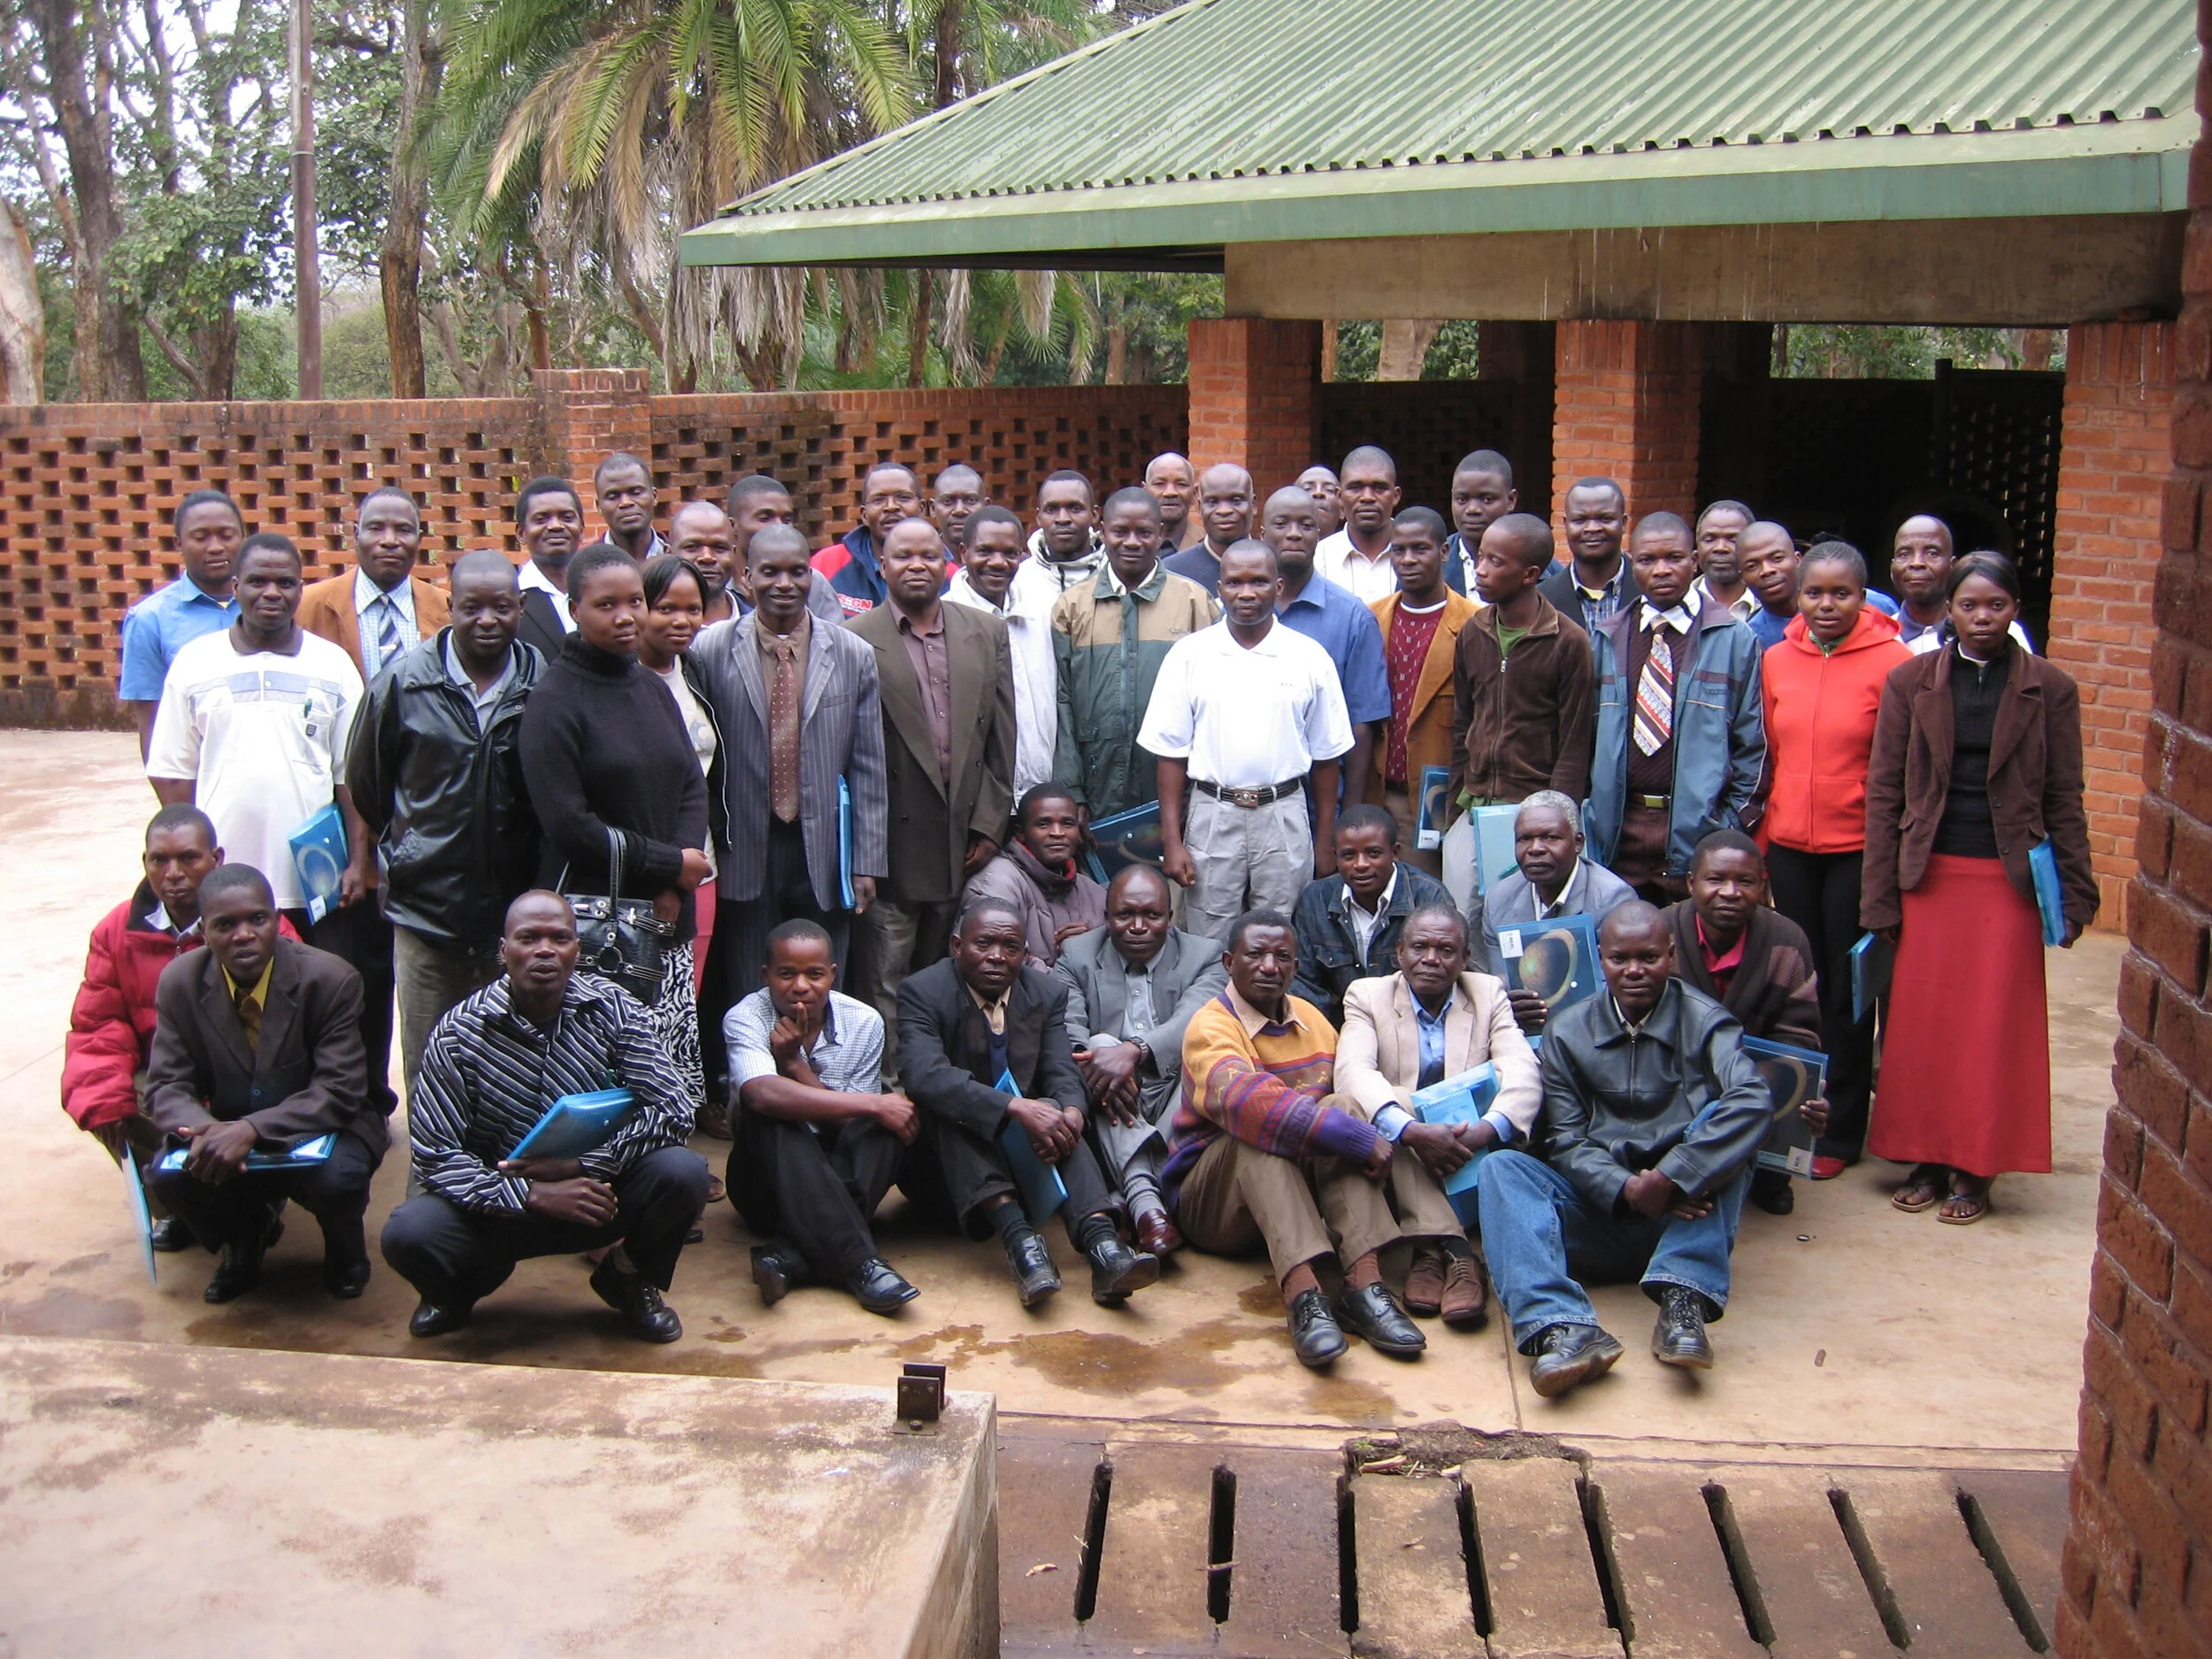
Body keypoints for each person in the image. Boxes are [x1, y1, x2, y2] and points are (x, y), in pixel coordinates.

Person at [1862, 553, 2094, 1224]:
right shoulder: (1911, 681)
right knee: (1923, 1025)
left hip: (2006, 881)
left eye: (1996, 605)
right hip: (1929, 874)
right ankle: (1927, 1158)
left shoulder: (2049, 688)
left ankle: (1977, 1167)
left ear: (2015, 608)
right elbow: (1885, 791)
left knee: (1990, 1028)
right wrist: (1879, 895)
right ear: (1950, 611)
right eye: (1970, 605)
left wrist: (2075, 894)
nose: (1982, 617)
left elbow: (2063, 796)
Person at [380, 891, 710, 1341]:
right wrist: (529, 1194)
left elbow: (673, 1107)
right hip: (495, 1209)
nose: (544, 950)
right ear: (503, 950)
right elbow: (436, 1156)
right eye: (528, 938)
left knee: (682, 1170)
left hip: (596, 1197)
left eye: (559, 938)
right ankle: (457, 1291)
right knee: (409, 1231)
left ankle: (629, 1279)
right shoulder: (458, 1033)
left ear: (578, 948)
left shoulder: (613, 1010)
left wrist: (584, 1166)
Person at [1477, 902, 1771, 1398]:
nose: (1634, 971)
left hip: (1681, 1217)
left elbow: (1752, 1099)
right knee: (1502, 1169)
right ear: (1600, 958)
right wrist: (1631, 1188)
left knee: (1727, 1128)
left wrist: (1672, 1175)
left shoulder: (1706, 1022)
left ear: (1671, 957)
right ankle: (1563, 1328)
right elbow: (1565, 1140)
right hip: (1598, 1215)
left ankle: (1684, 1301)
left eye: (1649, 957)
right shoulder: (1567, 1031)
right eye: (1620, 958)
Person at [145, 533, 385, 1110]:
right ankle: (240, 1116)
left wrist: (359, 857)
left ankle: (343, 1111)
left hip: (314, 878)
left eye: (285, 582)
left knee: (324, 996)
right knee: (231, 1004)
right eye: (258, 581)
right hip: (225, 882)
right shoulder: (196, 663)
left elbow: (350, 775)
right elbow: (173, 773)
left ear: (301, 589)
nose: (271, 593)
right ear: (235, 588)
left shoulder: (331, 666)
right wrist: (192, 864)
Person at [1169, 910, 1427, 1367]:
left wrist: (1362, 1127)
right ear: (1229, 962)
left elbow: (1348, 1094)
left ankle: (1365, 1285)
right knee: (1257, 1131)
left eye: (1283, 957)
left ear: (1295, 966)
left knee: (1343, 1107)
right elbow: (1243, 1100)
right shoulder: (1209, 1025)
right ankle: (1304, 1295)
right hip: (1217, 1205)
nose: (1270, 966)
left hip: (1294, 1198)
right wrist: (1353, 1137)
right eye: (1256, 954)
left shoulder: (1309, 1017)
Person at [690, 522, 887, 1121]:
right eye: (768, 571)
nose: (783, 582)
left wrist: (868, 861)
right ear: (744, 575)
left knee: (823, 974)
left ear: (812, 574)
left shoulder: (850, 651)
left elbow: (870, 762)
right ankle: (747, 1094)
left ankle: (823, 1093)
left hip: (826, 847)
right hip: (743, 844)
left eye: (796, 570)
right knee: (747, 973)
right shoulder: (709, 650)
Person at [347, 549, 543, 1114]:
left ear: (521, 607)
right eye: (471, 607)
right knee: (433, 1063)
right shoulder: (402, 685)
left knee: (515, 1068)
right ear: (448, 606)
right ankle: (435, 1183)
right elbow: (368, 782)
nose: (487, 620)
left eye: (501, 607)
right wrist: (411, 851)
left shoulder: (543, 685)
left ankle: (507, 1185)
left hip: (515, 916)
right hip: (427, 913)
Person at [518, 543, 713, 1113]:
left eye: (634, 601)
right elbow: (571, 826)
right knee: (603, 1059)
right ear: (575, 608)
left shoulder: (650, 686)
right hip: (594, 919)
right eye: (607, 604)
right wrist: (670, 867)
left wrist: (673, 886)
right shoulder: (554, 701)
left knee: (664, 1048)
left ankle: (663, 1151)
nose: (626, 616)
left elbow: (690, 784)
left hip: (666, 910)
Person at [896, 899, 1158, 1308]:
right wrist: (1015, 1109)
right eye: (984, 944)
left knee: (1059, 1115)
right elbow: (923, 1074)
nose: (997, 957)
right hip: (949, 1172)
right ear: (956, 945)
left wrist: (1070, 1111)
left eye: (1011, 947)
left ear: (1025, 953)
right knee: (944, 1105)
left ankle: (1104, 1247)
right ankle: (1021, 1243)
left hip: (1024, 1156)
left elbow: (1061, 1069)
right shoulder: (922, 992)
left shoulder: (1045, 992)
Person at [144, 864, 386, 1303]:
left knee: (338, 1179)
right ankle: (246, 1236)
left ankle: (345, 1247)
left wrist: (252, 1130)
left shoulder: (330, 979)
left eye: (257, 919)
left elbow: (339, 1090)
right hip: (225, 1125)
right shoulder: (179, 983)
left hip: (325, 1125)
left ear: (276, 920)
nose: (243, 935)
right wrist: (206, 1130)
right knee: (168, 1177)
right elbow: (165, 1086)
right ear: (203, 930)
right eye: (225, 924)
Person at [1759, 541, 1910, 1180]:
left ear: (1864, 594)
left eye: (1840, 593)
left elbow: (1901, 770)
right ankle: (1799, 1115)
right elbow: (1768, 751)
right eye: (1814, 593)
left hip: (1858, 852)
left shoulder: (1895, 663)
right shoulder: (1774, 658)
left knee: (1849, 993)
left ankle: (1844, 1131)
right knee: (1802, 986)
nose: (1826, 605)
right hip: (1789, 846)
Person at [63, 804, 274, 1251]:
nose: (173, 873)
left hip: (243, 1073)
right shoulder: (115, 931)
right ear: (145, 864)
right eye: (160, 860)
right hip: (168, 1075)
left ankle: (257, 1206)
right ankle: (180, 1207)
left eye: (188, 858)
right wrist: (104, 1098)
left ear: (216, 860)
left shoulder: (254, 919)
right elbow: (96, 1023)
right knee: (116, 1105)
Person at [848, 518, 1018, 1045]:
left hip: (962, 840)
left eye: (928, 555)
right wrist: (865, 853)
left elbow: (1002, 737)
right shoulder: (854, 640)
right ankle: (891, 1088)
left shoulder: (985, 631)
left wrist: (990, 826)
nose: (916, 566)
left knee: (949, 977)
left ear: (949, 564)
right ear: (882, 565)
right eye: (903, 556)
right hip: (891, 847)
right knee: (886, 982)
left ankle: (940, 1077)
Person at [1333, 902, 1541, 1325]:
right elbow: (1352, 1071)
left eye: (1446, 950)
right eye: (1420, 947)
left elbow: (1522, 1066)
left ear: (1464, 959)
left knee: (1507, 1081)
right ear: (1400, 953)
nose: (1431, 959)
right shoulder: (1367, 995)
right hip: (1400, 1153)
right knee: (1394, 1104)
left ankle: (1427, 1254)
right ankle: (1456, 1250)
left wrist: (1484, 1130)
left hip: (1468, 1150)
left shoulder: (1486, 993)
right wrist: (1411, 1130)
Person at [1143, 540, 1356, 939]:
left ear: (1277, 587)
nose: (1246, 593)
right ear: (1219, 589)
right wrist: (1172, 841)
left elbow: (1328, 759)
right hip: (1212, 811)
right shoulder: (1190, 655)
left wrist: (1325, 840)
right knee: (1207, 936)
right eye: (1235, 582)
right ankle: (1212, 1004)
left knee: (1280, 933)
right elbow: (1170, 757)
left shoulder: (1308, 657)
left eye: (1258, 582)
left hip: (1283, 811)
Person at [726, 919, 920, 1314]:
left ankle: (788, 1254)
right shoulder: (745, 1016)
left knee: (886, 1127)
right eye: (786, 974)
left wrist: (797, 1068)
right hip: (764, 1185)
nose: (801, 986)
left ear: (832, 975)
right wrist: (874, 1103)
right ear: (766, 976)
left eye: (814, 974)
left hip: (835, 1171)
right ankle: (861, 1263)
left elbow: (854, 1128)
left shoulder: (864, 1021)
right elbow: (762, 1094)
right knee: (772, 1107)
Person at [1586, 511, 1764, 902]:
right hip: (1619, 830)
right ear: (1633, 565)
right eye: (1648, 560)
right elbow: (1586, 736)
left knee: (1686, 952)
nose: (1661, 570)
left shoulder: (1734, 639)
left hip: (1697, 831)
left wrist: (1726, 824)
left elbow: (1754, 744)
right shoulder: (1607, 637)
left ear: (1695, 560)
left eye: (1674, 558)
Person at [1054, 865, 1227, 1256]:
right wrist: (1103, 1061)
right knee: (1095, 1047)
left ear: (1170, 918)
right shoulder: (1076, 955)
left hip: (1174, 1096)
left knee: (1205, 1060)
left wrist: (1135, 1050)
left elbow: (1195, 1020)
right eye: (1124, 915)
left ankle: (1126, 1194)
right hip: (1105, 1101)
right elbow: (1066, 1030)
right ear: (1105, 917)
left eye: (1151, 915)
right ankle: (1150, 1208)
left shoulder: (1205, 956)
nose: (1137, 926)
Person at [1663, 830, 1826, 1216]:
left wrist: (1800, 1085)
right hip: (1675, 1073)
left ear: (1763, 886)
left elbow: (1800, 1035)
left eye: (1745, 881)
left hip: (1755, 1079)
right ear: (1691, 883)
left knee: (1791, 1082)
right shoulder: (1661, 931)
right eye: (1715, 879)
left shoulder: (1788, 940)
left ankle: (1770, 1173)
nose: (1730, 892)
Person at [1050, 486, 1218, 822]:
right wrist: (1072, 790)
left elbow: (1213, 704)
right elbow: (1061, 701)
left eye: (1143, 532)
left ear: (1160, 535)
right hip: (1096, 784)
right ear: (1102, 533)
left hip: (1173, 785)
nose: (1131, 542)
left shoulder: (1195, 603)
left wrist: (1195, 787)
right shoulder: (1071, 606)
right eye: (1120, 532)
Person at [1450, 513, 1595, 821]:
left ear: (1529, 575)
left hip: (1532, 809)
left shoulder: (1568, 641)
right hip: (1472, 802)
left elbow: (1574, 744)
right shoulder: (1472, 632)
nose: (1480, 570)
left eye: (1496, 562)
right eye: (1480, 557)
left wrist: (1557, 820)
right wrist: (1451, 812)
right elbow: (1463, 723)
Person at [1368, 505, 1479, 870]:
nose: (1408, 560)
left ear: (1444, 552)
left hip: (1438, 797)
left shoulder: (1474, 624)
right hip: (1376, 790)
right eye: (1399, 550)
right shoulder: (1370, 617)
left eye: (1421, 549)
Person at [1266, 486, 1389, 807]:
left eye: (1306, 525)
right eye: (1282, 524)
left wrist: (1350, 812)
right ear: (1262, 532)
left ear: (1320, 534)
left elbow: (1361, 726)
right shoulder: (1233, 614)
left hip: (1320, 804)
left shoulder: (1353, 617)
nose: (1294, 534)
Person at [638, 553, 722, 1018]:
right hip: (640, 870)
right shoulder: (621, 680)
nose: (682, 621)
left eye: (693, 609)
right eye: (666, 607)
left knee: (683, 1001)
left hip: (701, 864)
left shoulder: (695, 672)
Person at [1472, 791, 1636, 1027]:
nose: (1535, 849)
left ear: (1578, 842)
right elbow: (1501, 983)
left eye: (1550, 838)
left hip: (1593, 1026)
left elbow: (1613, 990)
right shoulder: (1498, 899)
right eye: (1524, 839)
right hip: (1520, 1028)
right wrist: (1507, 1003)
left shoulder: (1613, 900)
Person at [1290, 804, 1453, 1025]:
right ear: (1336, 857)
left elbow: (1445, 978)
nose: (1361, 865)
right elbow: (1305, 983)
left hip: (1414, 1023)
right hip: (1342, 1025)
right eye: (1349, 855)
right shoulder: (1315, 899)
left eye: (1373, 854)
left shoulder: (1428, 897)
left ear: (1395, 853)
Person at [119, 489, 243, 754]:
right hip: (195, 773)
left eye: (226, 535)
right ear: (178, 543)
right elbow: (150, 721)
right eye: (200, 537)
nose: (215, 547)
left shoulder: (273, 608)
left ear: (243, 537)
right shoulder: (149, 619)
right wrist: (172, 794)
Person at [947, 503, 1057, 799]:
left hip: (1041, 793)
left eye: (1010, 553)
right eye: (985, 551)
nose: (998, 562)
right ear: (963, 554)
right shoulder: (943, 620)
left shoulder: (1043, 612)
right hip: (975, 802)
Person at [297, 487, 451, 683]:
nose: (389, 541)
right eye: (376, 528)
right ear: (356, 535)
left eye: (403, 530)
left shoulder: (446, 609)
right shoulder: (308, 606)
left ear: (419, 540)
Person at [962, 783, 1105, 969]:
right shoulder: (996, 883)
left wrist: (1094, 945)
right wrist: (1073, 987)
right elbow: (991, 965)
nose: (1057, 833)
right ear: (1021, 833)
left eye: (1067, 823)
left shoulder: (1093, 891)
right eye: (1044, 824)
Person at [1891, 515, 2033, 655]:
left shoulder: (2002, 632)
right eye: (1904, 554)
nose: (1917, 563)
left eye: (1932, 553)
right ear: (1892, 568)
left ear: (1953, 566)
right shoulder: (1882, 637)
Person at [726, 473, 846, 626]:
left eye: (787, 520)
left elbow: (834, 643)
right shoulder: (718, 583)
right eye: (764, 518)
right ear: (732, 526)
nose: (779, 526)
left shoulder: (813, 583)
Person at [814, 461, 924, 616]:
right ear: (864, 515)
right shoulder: (825, 564)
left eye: (903, 497)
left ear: (921, 509)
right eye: (879, 499)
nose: (891, 506)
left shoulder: (948, 573)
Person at [1539, 478, 1640, 633]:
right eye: (1580, 520)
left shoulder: (1649, 591)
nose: (1592, 528)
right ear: (1565, 525)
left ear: (1624, 523)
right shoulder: (1540, 601)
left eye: (1605, 519)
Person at [1312, 447, 1401, 603]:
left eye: (1379, 488)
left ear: (1396, 495)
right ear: (1339, 496)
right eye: (1355, 488)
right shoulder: (1317, 558)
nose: (1367, 497)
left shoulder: (1418, 556)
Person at [513, 476, 587, 658]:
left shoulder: (601, 590)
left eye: (567, 517)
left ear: (582, 528)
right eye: (541, 519)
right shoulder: (510, 598)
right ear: (521, 533)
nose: (555, 526)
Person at [1163, 464, 1257, 597]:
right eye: (1212, 502)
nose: (1224, 511)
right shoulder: (1172, 573)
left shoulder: (1275, 568)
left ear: (1253, 505)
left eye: (1236, 501)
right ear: (1200, 508)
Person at [1020, 469, 1107, 601]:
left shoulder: (1116, 575)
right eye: (1051, 509)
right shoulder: (1019, 579)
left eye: (1075, 508)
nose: (1062, 518)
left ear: (1094, 515)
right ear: (1038, 517)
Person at [1442, 449, 1519, 596]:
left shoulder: (1542, 568)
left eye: (1487, 499)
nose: (1472, 509)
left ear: (1511, 500)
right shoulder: (1432, 565)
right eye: (1462, 500)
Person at [670, 498, 741, 625]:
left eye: (719, 548)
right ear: (668, 552)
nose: (707, 557)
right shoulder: (646, 632)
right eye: (692, 547)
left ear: (734, 553)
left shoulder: (759, 629)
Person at [1688, 500, 1757, 624]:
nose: (1720, 548)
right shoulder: (1678, 605)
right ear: (1697, 546)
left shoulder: (1773, 605)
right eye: (1710, 539)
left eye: (1733, 540)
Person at [1737, 521, 1802, 650]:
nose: (1766, 570)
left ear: (1797, 560)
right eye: (1752, 566)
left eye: (1777, 558)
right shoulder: (1746, 641)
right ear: (1742, 578)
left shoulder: (1833, 620)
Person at [595, 451, 664, 561]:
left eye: (636, 492)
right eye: (613, 496)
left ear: (654, 497)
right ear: (599, 506)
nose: (626, 503)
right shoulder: (583, 568)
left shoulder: (680, 557)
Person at [1144, 452, 1202, 552]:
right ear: (1145, 492)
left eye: (1181, 484)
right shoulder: (1127, 546)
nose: (1170, 492)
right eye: (1159, 484)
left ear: (1194, 493)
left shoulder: (1210, 546)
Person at [928, 463, 987, 548]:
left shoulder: (1004, 558)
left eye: (971, 500)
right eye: (947, 501)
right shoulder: (918, 558)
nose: (959, 510)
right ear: (933, 508)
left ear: (985, 506)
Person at [1297, 464, 1344, 540]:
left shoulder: (1355, 551)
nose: (1318, 493)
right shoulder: (1273, 550)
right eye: (1307, 489)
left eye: (1329, 489)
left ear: (1342, 510)